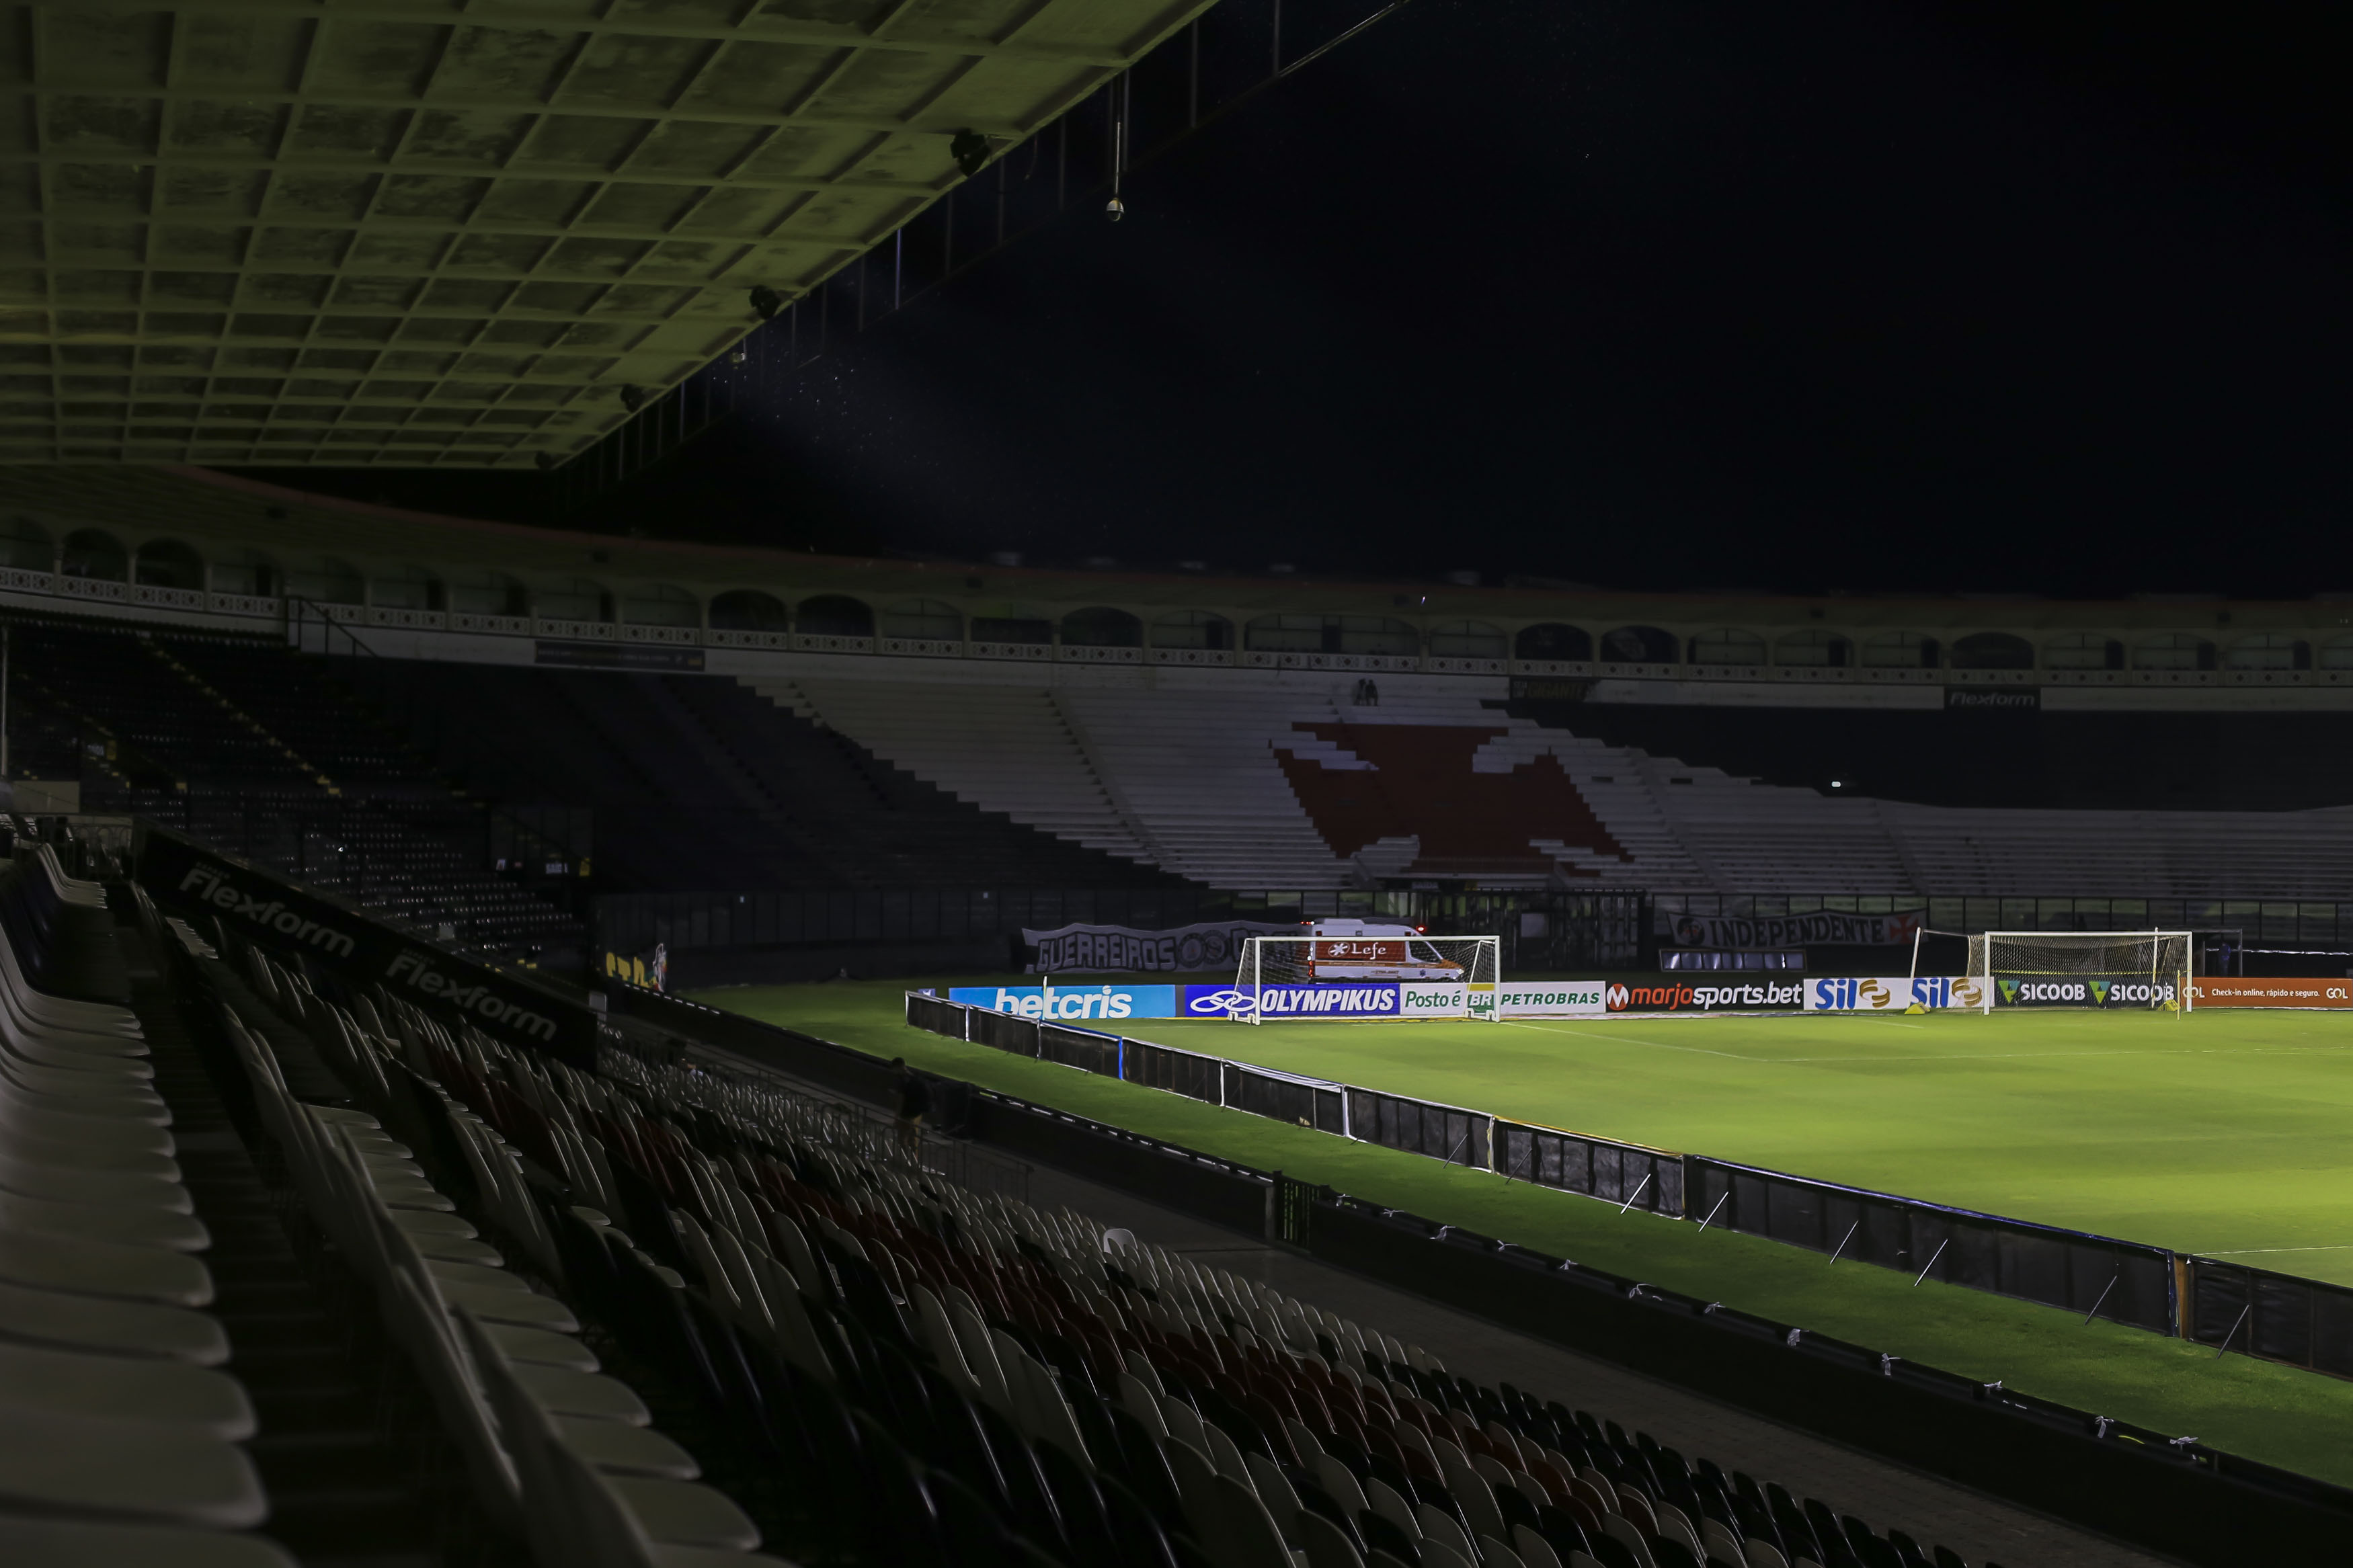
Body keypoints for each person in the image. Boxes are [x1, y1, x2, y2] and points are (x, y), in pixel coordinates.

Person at [890, 1058, 930, 1162]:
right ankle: (914, 1162)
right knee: (912, 1139)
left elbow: (901, 1101)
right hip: (916, 1114)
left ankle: (905, 1161)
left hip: (906, 1115)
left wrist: (896, 1118)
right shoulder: (915, 1077)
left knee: (902, 1139)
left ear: (897, 1067)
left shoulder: (902, 1081)